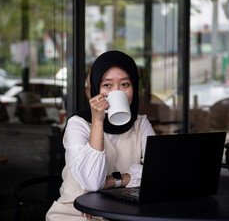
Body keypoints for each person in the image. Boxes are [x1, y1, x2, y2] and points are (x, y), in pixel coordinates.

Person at [46, 50, 155, 220]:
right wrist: (97, 121)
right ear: (96, 88)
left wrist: (113, 181)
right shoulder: (78, 124)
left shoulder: (141, 124)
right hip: (75, 214)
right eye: (107, 85)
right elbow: (92, 182)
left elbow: (158, 176)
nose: (117, 91)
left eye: (125, 84)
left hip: (124, 213)